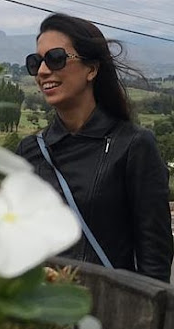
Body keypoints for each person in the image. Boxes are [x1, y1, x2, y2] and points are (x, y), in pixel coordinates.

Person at [16, 13, 173, 283]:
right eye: (36, 62)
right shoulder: (29, 151)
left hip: (108, 307)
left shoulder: (133, 145)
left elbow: (154, 263)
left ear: (91, 69)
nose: (42, 71)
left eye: (55, 58)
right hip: (42, 306)